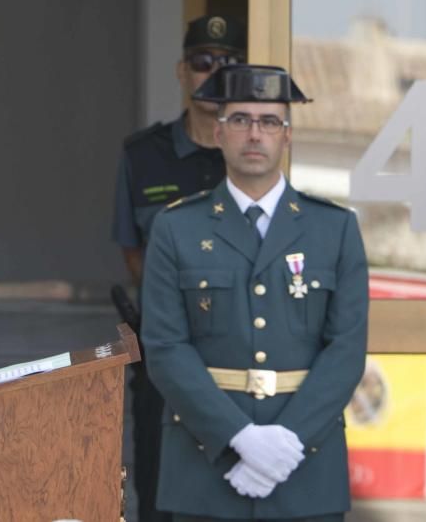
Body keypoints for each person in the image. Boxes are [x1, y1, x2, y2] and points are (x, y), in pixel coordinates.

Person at [141, 64, 369, 521]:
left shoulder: (335, 228)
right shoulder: (176, 228)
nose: (254, 134)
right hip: (205, 467)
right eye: (240, 120)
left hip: (306, 467)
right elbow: (165, 348)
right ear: (219, 133)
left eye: (268, 122)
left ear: (286, 136)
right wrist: (238, 438)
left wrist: (287, 441)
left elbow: (345, 350)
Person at [112, 15, 246, 522]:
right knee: (160, 496)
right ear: (182, 71)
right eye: (203, 62)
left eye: (228, 63)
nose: (214, 72)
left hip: (237, 362)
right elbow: (133, 252)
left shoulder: (251, 154)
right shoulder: (144, 155)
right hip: (164, 362)